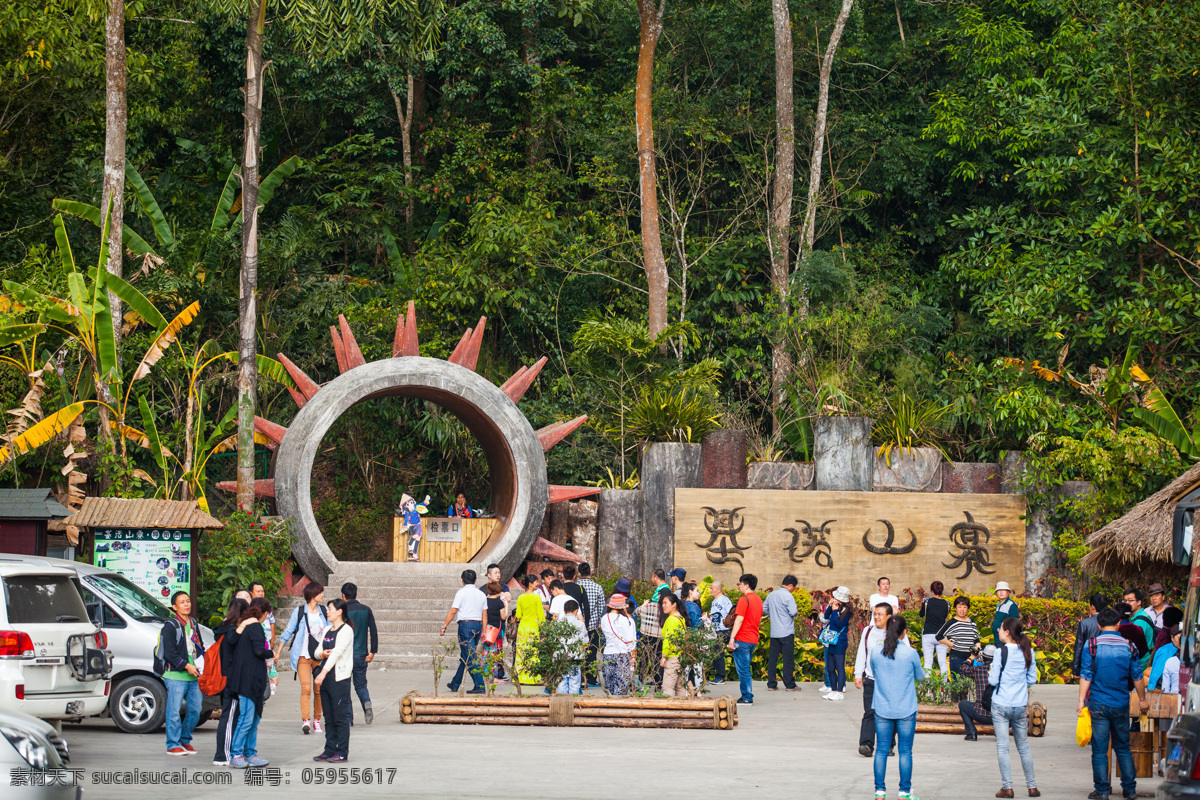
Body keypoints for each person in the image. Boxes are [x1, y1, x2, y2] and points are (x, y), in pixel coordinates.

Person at [1079, 606, 1150, 800]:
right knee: (1123, 748)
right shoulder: (1129, 646)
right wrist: (1142, 700)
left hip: (1098, 704)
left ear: (1099, 625)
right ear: (1118, 624)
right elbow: (1137, 677)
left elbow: (1086, 674)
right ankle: (1130, 789)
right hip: (1121, 703)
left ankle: (1102, 791)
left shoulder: (1091, 645)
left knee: (1100, 749)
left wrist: (1080, 701)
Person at [869, 615, 925, 800]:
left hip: (883, 707)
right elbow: (920, 677)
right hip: (906, 708)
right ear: (904, 632)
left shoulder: (876, 652)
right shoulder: (910, 653)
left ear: (886, 631)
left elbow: (875, 672)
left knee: (881, 750)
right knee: (905, 751)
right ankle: (904, 792)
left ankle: (879, 791)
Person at [990, 618, 1040, 798]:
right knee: (1024, 747)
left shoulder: (1000, 652)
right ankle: (1032, 787)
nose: (998, 631)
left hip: (1001, 703)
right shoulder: (1028, 651)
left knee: (1003, 748)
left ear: (1007, 632)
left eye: (1001, 628)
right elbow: (1032, 679)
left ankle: (1008, 787)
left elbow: (993, 681)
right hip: (1019, 704)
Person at [227, 598, 274, 769]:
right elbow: (259, 650)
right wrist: (271, 652)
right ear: (264, 612)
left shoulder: (248, 626)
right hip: (248, 680)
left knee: (254, 719)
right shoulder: (254, 627)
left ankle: (250, 752)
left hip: (253, 679)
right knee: (247, 718)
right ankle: (236, 754)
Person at [277, 582, 328, 734]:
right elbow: (288, 632)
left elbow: (331, 631)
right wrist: (279, 651)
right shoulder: (299, 612)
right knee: (306, 688)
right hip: (302, 656)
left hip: (319, 656)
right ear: (312, 595)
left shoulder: (324, 611)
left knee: (318, 689)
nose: (322, 595)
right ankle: (306, 720)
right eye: (320, 593)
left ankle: (317, 720)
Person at [161, 590, 204, 756]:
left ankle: (185, 740)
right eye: (182, 602)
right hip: (175, 675)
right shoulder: (170, 625)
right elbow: (170, 653)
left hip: (194, 674)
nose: (186, 604)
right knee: (174, 711)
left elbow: (199, 647)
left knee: (196, 709)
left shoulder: (193, 623)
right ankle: (172, 744)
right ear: (174, 606)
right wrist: (187, 666)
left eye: (188, 601)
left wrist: (202, 664)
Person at [313, 598, 355, 764]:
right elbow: (317, 652)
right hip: (326, 679)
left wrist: (322, 673)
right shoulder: (327, 630)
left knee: (340, 717)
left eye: (330, 609)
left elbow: (337, 653)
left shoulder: (346, 631)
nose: (327, 612)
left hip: (339, 678)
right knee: (328, 717)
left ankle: (342, 752)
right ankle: (329, 749)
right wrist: (323, 654)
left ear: (339, 611)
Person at [855, 603, 896, 757]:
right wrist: (858, 674)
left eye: (880, 614)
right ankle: (866, 744)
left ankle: (888, 746)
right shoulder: (868, 631)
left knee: (889, 713)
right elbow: (862, 653)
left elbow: (906, 654)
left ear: (889, 617)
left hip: (891, 681)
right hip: (871, 679)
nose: (876, 617)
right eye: (875, 614)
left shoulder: (896, 633)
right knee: (870, 712)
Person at [212, 598, 247, 766]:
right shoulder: (233, 633)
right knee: (229, 717)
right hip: (232, 681)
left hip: (224, 678)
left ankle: (228, 752)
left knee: (230, 716)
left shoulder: (223, 630)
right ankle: (222, 755)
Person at [440, 569, 486, 694]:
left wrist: (444, 626)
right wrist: (484, 630)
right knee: (466, 655)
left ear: (462, 580)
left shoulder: (461, 593)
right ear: (475, 580)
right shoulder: (481, 594)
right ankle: (455, 683)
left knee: (469, 656)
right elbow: (484, 613)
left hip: (465, 626)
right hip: (477, 626)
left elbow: (453, 610)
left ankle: (480, 685)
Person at [340, 582, 378, 725]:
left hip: (345, 655)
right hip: (361, 654)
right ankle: (366, 702)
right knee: (361, 685)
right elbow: (373, 631)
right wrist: (373, 651)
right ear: (356, 594)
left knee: (345, 687)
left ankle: (349, 719)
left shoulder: (341, 611)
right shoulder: (366, 610)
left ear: (343, 596)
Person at [726, 574, 763, 706]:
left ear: (746, 585)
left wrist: (732, 637)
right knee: (745, 668)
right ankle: (747, 694)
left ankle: (747, 696)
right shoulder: (759, 600)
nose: (739, 586)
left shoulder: (744, 599)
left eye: (740, 584)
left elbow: (739, 619)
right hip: (753, 638)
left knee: (743, 669)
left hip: (742, 638)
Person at [763, 575, 800, 691]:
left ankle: (771, 685)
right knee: (788, 660)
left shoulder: (771, 595)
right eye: (793, 587)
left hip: (774, 632)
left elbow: (764, 609)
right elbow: (793, 612)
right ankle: (789, 685)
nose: (793, 589)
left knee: (772, 659)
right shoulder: (788, 596)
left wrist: (771, 614)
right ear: (790, 586)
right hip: (787, 632)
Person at [600, 594, 637, 695]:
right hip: (622, 654)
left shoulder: (604, 618)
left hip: (608, 653)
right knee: (621, 685)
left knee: (610, 684)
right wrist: (633, 656)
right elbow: (630, 641)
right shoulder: (626, 620)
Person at [821, 586, 852, 701]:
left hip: (840, 641)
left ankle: (840, 692)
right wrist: (830, 607)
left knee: (839, 667)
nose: (834, 599)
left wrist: (834, 611)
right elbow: (825, 617)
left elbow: (838, 624)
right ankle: (833, 690)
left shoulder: (846, 610)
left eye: (836, 598)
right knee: (830, 667)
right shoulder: (836, 608)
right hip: (831, 641)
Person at [958, 645, 995, 741]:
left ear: (982, 657)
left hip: (981, 714)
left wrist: (972, 657)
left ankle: (971, 733)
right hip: (1001, 716)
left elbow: (962, 668)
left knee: (963, 705)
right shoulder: (1003, 671)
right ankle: (1000, 731)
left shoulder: (978, 670)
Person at [577, 563, 605, 686]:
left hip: (578, 625)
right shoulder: (598, 587)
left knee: (578, 652)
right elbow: (601, 608)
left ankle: (580, 678)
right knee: (592, 653)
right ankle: (591, 679)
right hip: (593, 626)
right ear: (591, 572)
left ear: (579, 573)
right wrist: (600, 621)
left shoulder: (577, 587)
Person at [937, 596, 980, 676]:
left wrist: (978, 649)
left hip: (970, 658)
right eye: (959, 607)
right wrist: (950, 644)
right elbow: (939, 636)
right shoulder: (952, 622)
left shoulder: (972, 622)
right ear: (955, 608)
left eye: (964, 607)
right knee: (956, 683)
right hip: (956, 657)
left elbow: (976, 639)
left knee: (968, 683)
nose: (962, 609)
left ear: (968, 609)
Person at [514, 574, 544, 684]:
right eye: (536, 582)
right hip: (533, 628)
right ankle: (533, 678)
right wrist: (544, 629)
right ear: (530, 584)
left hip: (522, 628)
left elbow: (518, 615)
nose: (538, 584)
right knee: (534, 652)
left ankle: (520, 677)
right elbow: (541, 616)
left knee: (521, 652)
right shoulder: (537, 597)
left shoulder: (521, 597)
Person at [249, 582, 278, 695]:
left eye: (262, 591)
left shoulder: (267, 608)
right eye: (258, 591)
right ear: (251, 593)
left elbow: (272, 623)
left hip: (266, 641)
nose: (261, 593)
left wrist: (272, 640)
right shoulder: (251, 619)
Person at [484, 565, 512, 681]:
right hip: (497, 629)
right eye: (496, 572)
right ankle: (495, 676)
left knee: (486, 651)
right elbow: (504, 616)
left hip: (486, 628)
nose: (498, 575)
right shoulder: (499, 602)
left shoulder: (486, 600)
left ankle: (486, 674)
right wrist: (505, 605)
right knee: (496, 651)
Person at [659, 593, 689, 698]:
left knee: (668, 687)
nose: (663, 605)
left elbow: (668, 640)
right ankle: (683, 711)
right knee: (680, 687)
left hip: (672, 657)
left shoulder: (671, 619)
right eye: (662, 603)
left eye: (666, 603)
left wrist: (663, 657)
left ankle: (668, 712)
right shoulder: (681, 618)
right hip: (682, 656)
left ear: (674, 605)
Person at [556, 599, 588, 695]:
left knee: (561, 682)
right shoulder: (580, 624)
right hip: (575, 657)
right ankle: (573, 703)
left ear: (564, 611)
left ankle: (562, 703)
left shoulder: (558, 623)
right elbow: (585, 642)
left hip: (561, 656)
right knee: (574, 682)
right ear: (576, 611)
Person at [1071, 593, 1107, 678]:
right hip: (1106, 662)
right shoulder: (1111, 622)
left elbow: (1079, 647)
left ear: (1092, 607)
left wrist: (1076, 669)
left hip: (1088, 663)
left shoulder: (1085, 623)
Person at [919, 582, 950, 674]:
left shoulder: (927, 602)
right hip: (941, 636)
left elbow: (921, 615)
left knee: (928, 662)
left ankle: (928, 686)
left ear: (932, 591)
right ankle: (945, 686)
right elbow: (945, 617)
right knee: (942, 662)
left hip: (928, 634)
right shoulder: (947, 604)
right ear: (942, 591)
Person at [708, 581, 733, 685]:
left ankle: (721, 677)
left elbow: (731, 614)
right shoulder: (714, 602)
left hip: (722, 630)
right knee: (715, 653)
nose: (710, 590)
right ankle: (718, 675)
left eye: (712, 588)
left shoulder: (725, 601)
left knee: (719, 653)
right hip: (714, 630)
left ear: (718, 590)